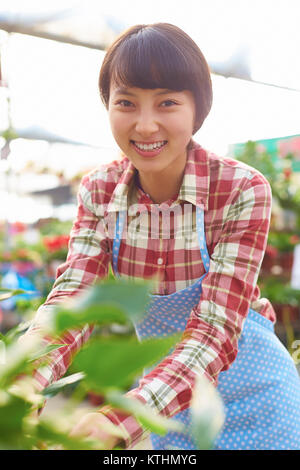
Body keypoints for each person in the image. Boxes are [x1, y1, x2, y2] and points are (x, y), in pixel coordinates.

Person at [21, 23, 300, 450]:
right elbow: (74, 301)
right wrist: (24, 378)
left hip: (258, 400)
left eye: (167, 103)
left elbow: (214, 330)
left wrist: (121, 418)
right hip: (165, 404)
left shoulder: (240, 189)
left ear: (197, 109)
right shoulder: (100, 191)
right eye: (126, 103)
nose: (145, 125)